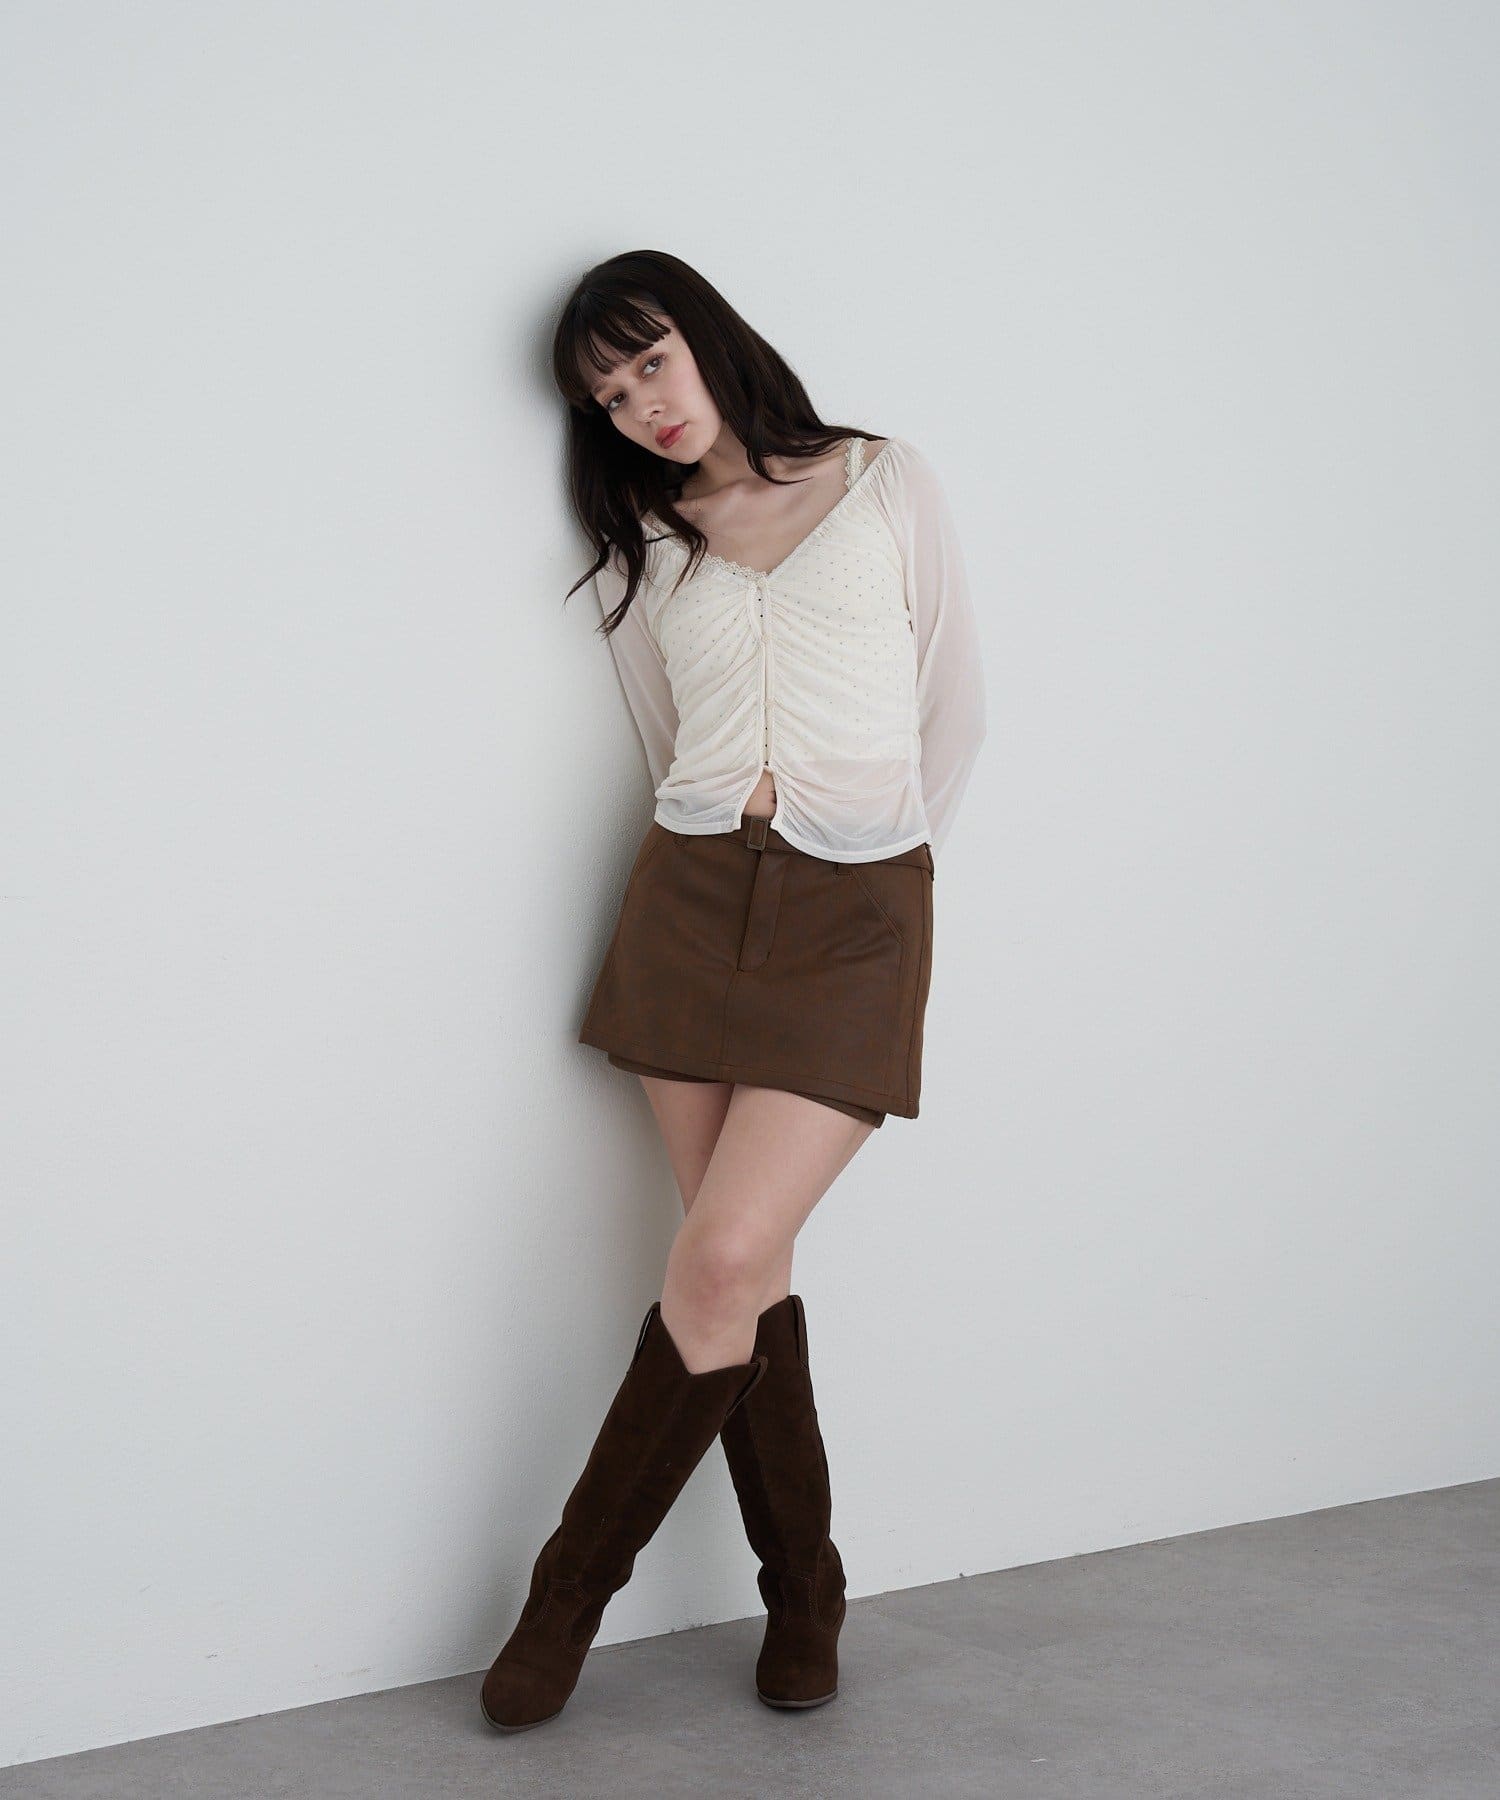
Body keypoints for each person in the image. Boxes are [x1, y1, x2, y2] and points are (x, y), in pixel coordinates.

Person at [481, 250, 988, 1733]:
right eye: (607, 394)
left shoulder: (883, 480)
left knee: (716, 1263)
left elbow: (955, 707)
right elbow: (666, 742)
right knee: (737, 1270)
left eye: (650, 361)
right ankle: (805, 1593)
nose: (640, 404)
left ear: (705, 337)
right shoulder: (646, 544)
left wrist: (874, 868)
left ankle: (563, 1600)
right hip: (690, 905)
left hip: (857, 910)